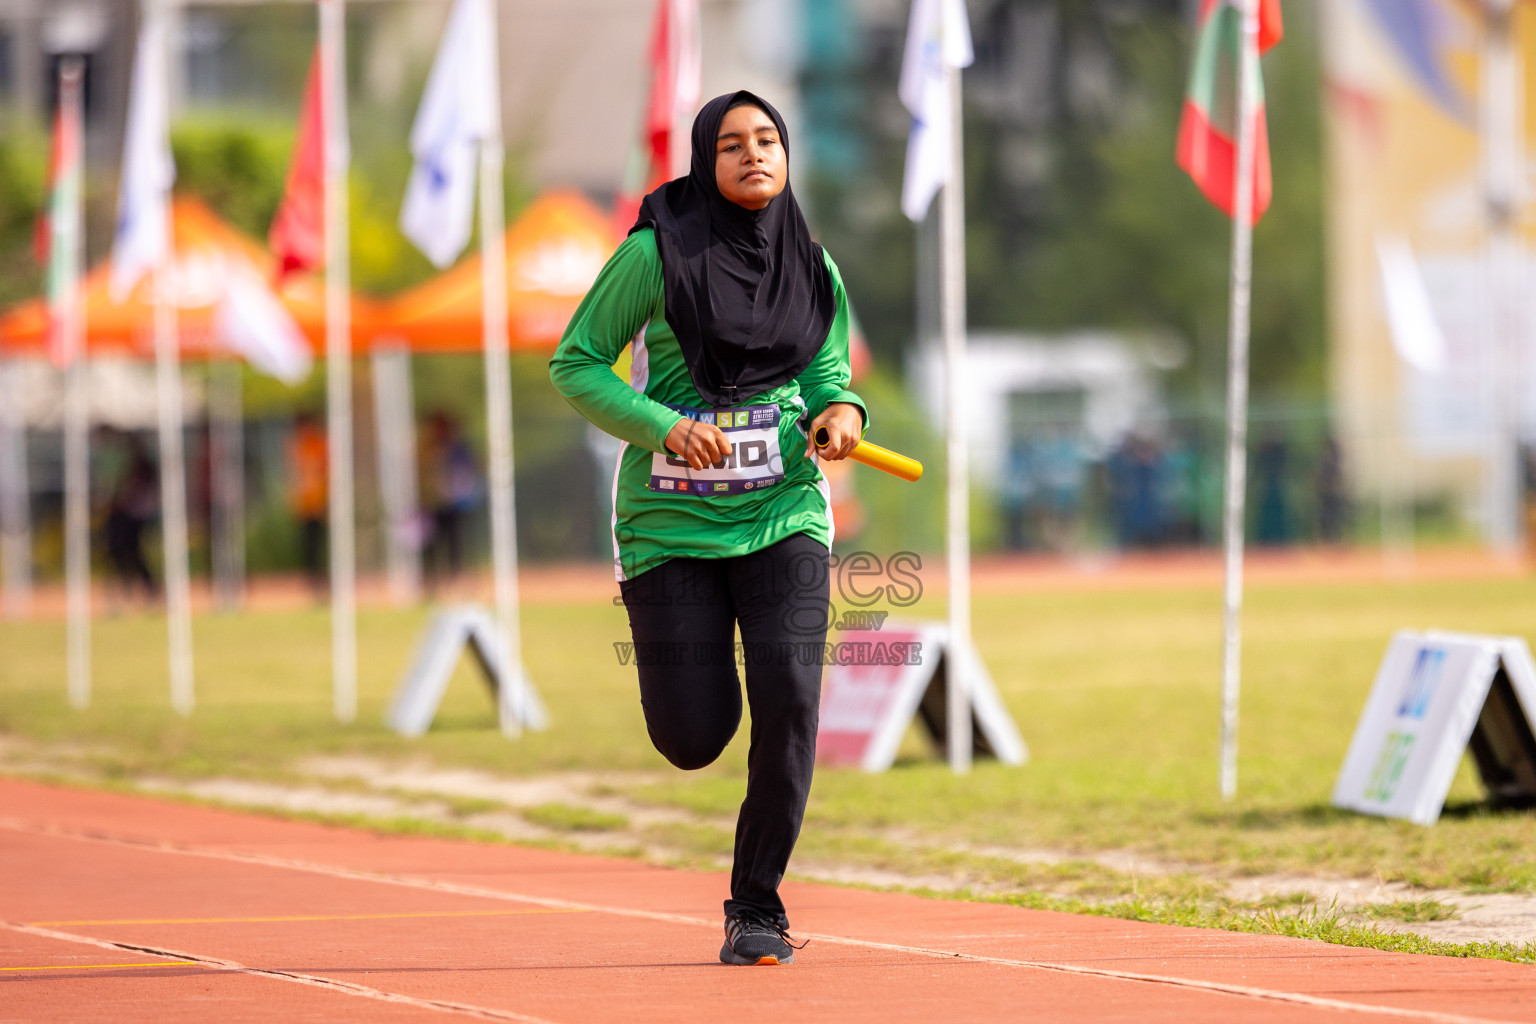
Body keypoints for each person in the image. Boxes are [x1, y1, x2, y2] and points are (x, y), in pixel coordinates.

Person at [550, 91, 866, 967]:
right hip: (669, 528)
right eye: (732, 145)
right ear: (704, 160)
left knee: (793, 703)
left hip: (785, 513)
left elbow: (830, 368)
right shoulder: (655, 256)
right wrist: (661, 423)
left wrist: (842, 413)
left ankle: (756, 905)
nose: (753, 155)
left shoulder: (812, 262)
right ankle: (695, 691)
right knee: (693, 738)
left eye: (768, 140)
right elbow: (576, 364)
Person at [288, 411, 328, 594]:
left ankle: (319, 574)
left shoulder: (318, 444)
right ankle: (311, 575)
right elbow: (295, 475)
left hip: (318, 501)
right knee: (308, 541)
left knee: (318, 540)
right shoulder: (299, 446)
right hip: (306, 503)